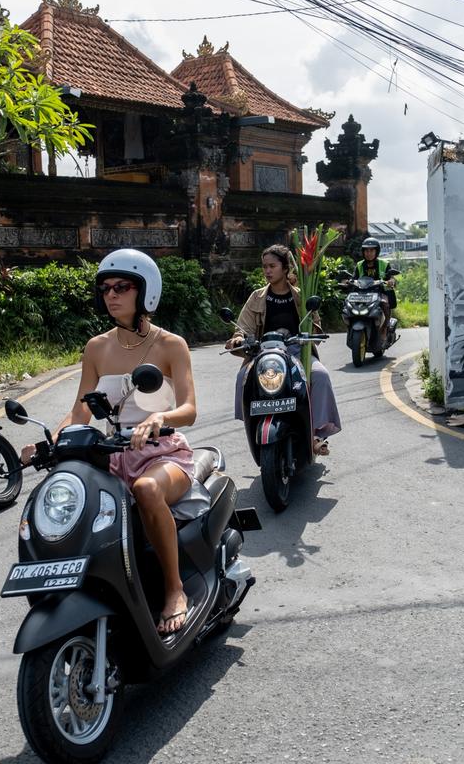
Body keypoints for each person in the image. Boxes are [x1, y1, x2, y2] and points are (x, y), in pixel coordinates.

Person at [20, 248, 197, 635]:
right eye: (105, 288)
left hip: (164, 455)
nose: (111, 295)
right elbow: (81, 411)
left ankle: (174, 589)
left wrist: (158, 418)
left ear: (145, 292)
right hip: (113, 455)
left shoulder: (171, 345)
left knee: (147, 490)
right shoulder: (97, 348)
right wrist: (47, 441)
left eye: (122, 286)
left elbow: (188, 408)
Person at [224, 244, 341, 454]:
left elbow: (316, 325)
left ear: (285, 268)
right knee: (243, 376)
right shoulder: (257, 297)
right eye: (264, 267)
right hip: (264, 354)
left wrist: (312, 328)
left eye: (272, 266)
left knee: (321, 376)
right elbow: (243, 327)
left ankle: (316, 433)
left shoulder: (301, 296)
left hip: (297, 353)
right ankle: (254, 422)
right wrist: (238, 338)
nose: (267, 271)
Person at [355, 237, 398, 344]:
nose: (368, 253)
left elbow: (392, 277)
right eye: (366, 250)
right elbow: (353, 278)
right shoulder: (359, 265)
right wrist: (346, 281)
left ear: (376, 251)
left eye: (371, 250)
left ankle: (384, 328)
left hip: (380, 292)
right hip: (363, 294)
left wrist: (391, 281)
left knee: (385, 305)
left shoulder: (384, 264)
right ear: (363, 252)